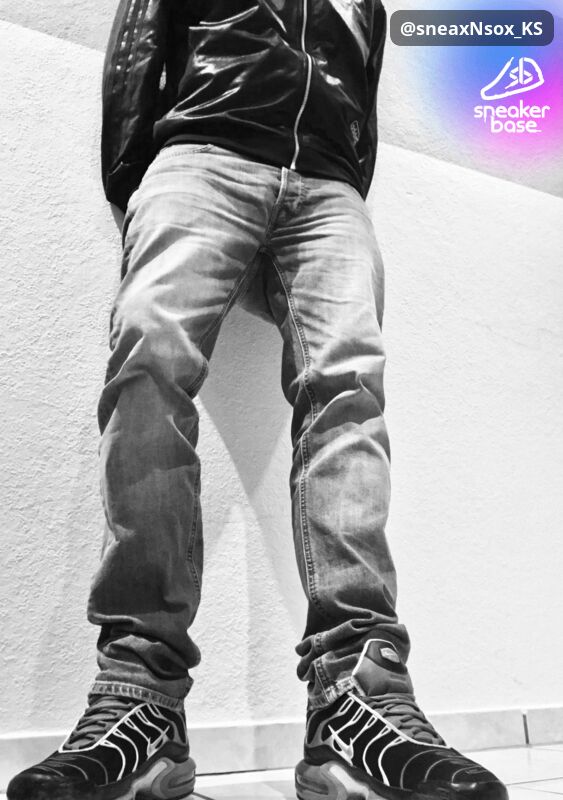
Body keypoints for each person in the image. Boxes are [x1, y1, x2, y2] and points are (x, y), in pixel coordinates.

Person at [8, 2, 509, 800]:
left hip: (331, 190)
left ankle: (357, 699)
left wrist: (341, 183)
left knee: (349, 394)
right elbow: (138, 51)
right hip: (202, 155)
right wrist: (142, 181)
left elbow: (360, 109)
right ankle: (138, 696)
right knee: (149, 360)